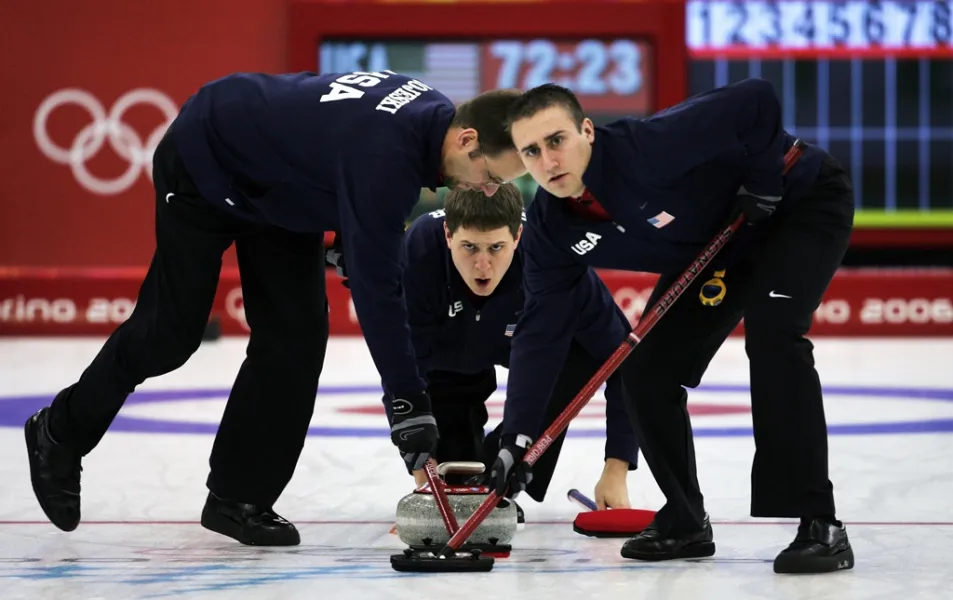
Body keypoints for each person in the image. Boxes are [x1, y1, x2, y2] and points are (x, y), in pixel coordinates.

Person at [24, 70, 527, 546]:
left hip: (278, 192)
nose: (488, 190)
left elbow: (335, 157)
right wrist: (408, 409)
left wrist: (348, 237)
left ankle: (237, 496)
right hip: (207, 160)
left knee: (297, 337)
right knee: (168, 334)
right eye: (489, 175)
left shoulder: (433, 119)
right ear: (466, 140)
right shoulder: (387, 160)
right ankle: (59, 432)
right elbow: (379, 295)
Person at [491, 79, 855, 574]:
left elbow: (756, 100)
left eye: (557, 140)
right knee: (646, 370)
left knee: (773, 337)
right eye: (530, 151)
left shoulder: (647, 147)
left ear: (587, 131)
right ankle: (685, 519)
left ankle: (820, 523)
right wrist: (518, 439)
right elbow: (539, 335)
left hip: (796, 201)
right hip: (723, 241)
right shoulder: (552, 230)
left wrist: (763, 179)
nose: (548, 160)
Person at [382, 184, 640, 516]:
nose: (482, 266)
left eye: (496, 247)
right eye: (469, 247)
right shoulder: (417, 251)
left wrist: (615, 470)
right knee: (457, 483)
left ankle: (509, 466)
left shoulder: (551, 257)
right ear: (448, 234)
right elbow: (402, 364)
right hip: (448, 354)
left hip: (539, 352)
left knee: (582, 357)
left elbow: (623, 360)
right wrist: (423, 475)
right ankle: (464, 467)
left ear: (518, 236)